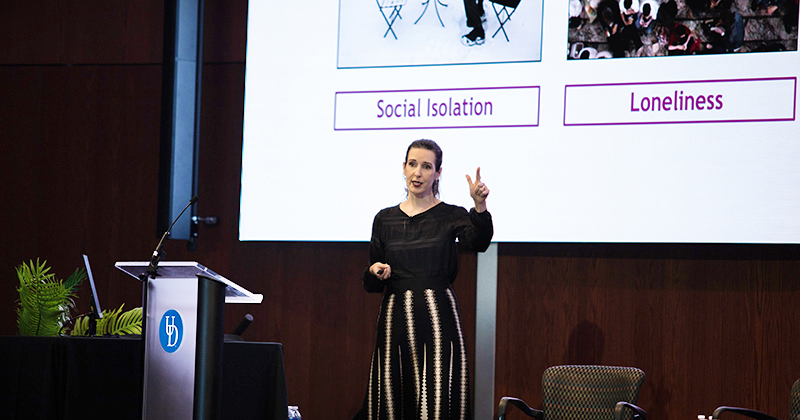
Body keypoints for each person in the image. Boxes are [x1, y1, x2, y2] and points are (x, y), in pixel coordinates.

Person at [355, 139, 493, 420]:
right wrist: (374, 272)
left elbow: (478, 242)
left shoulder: (451, 214)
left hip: (437, 317)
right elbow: (371, 277)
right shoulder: (385, 219)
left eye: (426, 166)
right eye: (412, 164)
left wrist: (479, 207)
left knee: (439, 398)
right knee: (393, 398)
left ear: (438, 173)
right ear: (403, 168)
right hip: (394, 319)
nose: (418, 173)